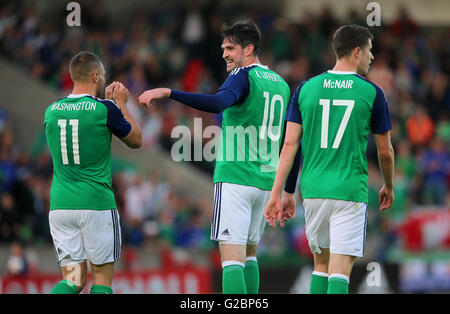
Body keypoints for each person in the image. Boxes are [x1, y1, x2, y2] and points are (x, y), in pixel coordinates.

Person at [139, 19, 291, 294]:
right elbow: (290, 139)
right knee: (250, 256)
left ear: (249, 49)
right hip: (265, 183)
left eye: (230, 48)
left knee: (232, 262)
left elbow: (218, 103)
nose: (224, 54)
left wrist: (169, 92)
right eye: (223, 48)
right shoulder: (280, 84)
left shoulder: (242, 75)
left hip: (236, 177)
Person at [265, 25, 395, 294]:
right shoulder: (372, 93)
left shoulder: (305, 89)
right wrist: (388, 185)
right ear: (357, 52)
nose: (372, 57)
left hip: (313, 190)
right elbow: (385, 151)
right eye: (370, 51)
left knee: (321, 265)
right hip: (349, 190)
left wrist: (280, 193)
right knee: (340, 270)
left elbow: (289, 144)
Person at [44, 51, 141, 294]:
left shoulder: (51, 111)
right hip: (96, 205)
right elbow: (136, 140)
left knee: (73, 280)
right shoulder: (104, 109)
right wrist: (120, 104)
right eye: (104, 76)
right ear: (96, 76)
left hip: (61, 206)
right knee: (101, 280)